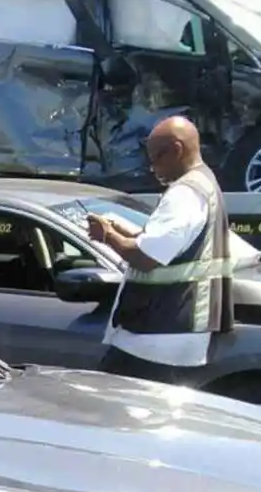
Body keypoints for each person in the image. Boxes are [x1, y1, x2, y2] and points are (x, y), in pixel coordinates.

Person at [85, 116, 234, 386]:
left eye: (155, 158)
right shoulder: (204, 184)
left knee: (110, 409)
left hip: (157, 335)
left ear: (176, 150)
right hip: (170, 334)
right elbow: (170, 246)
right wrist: (126, 232)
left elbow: (147, 257)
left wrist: (106, 236)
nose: (152, 167)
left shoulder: (184, 194)